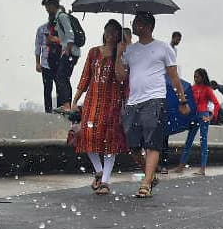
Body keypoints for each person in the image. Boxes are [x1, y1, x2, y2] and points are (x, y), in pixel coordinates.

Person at [116, 11, 188, 198]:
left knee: (152, 143)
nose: (134, 25)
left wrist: (183, 100)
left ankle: (146, 183)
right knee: (132, 145)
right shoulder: (130, 50)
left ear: (149, 26)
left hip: (155, 99)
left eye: (138, 22)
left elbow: (174, 77)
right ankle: (151, 175)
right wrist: (119, 52)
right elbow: (121, 76)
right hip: (133, 101)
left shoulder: (164, 48)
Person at [70, 19, 130, 194]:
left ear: (119, 35)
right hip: (92, 102)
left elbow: (122, 79)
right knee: (87, 136)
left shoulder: (122, 55)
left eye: (114, 32)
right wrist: (75, 100)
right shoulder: (93, 52)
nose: (110, 36)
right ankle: (99, 171)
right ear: (104, 32)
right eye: (108, 31)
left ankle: (105, 181)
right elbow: (85, 77)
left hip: (112, 103)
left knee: (109, 140)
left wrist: (119, 55)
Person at [175, 68, 222, 176]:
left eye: (197, 76)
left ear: (203, 77)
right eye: (194, 76)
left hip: (203, 116)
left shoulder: (207, 89)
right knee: (188, 141)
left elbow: (217, 104)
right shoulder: (192, 88)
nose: (195, 78)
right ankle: (181, 167)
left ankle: (202, 169)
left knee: (203, 142)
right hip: (194, 116)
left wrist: (210, 117)